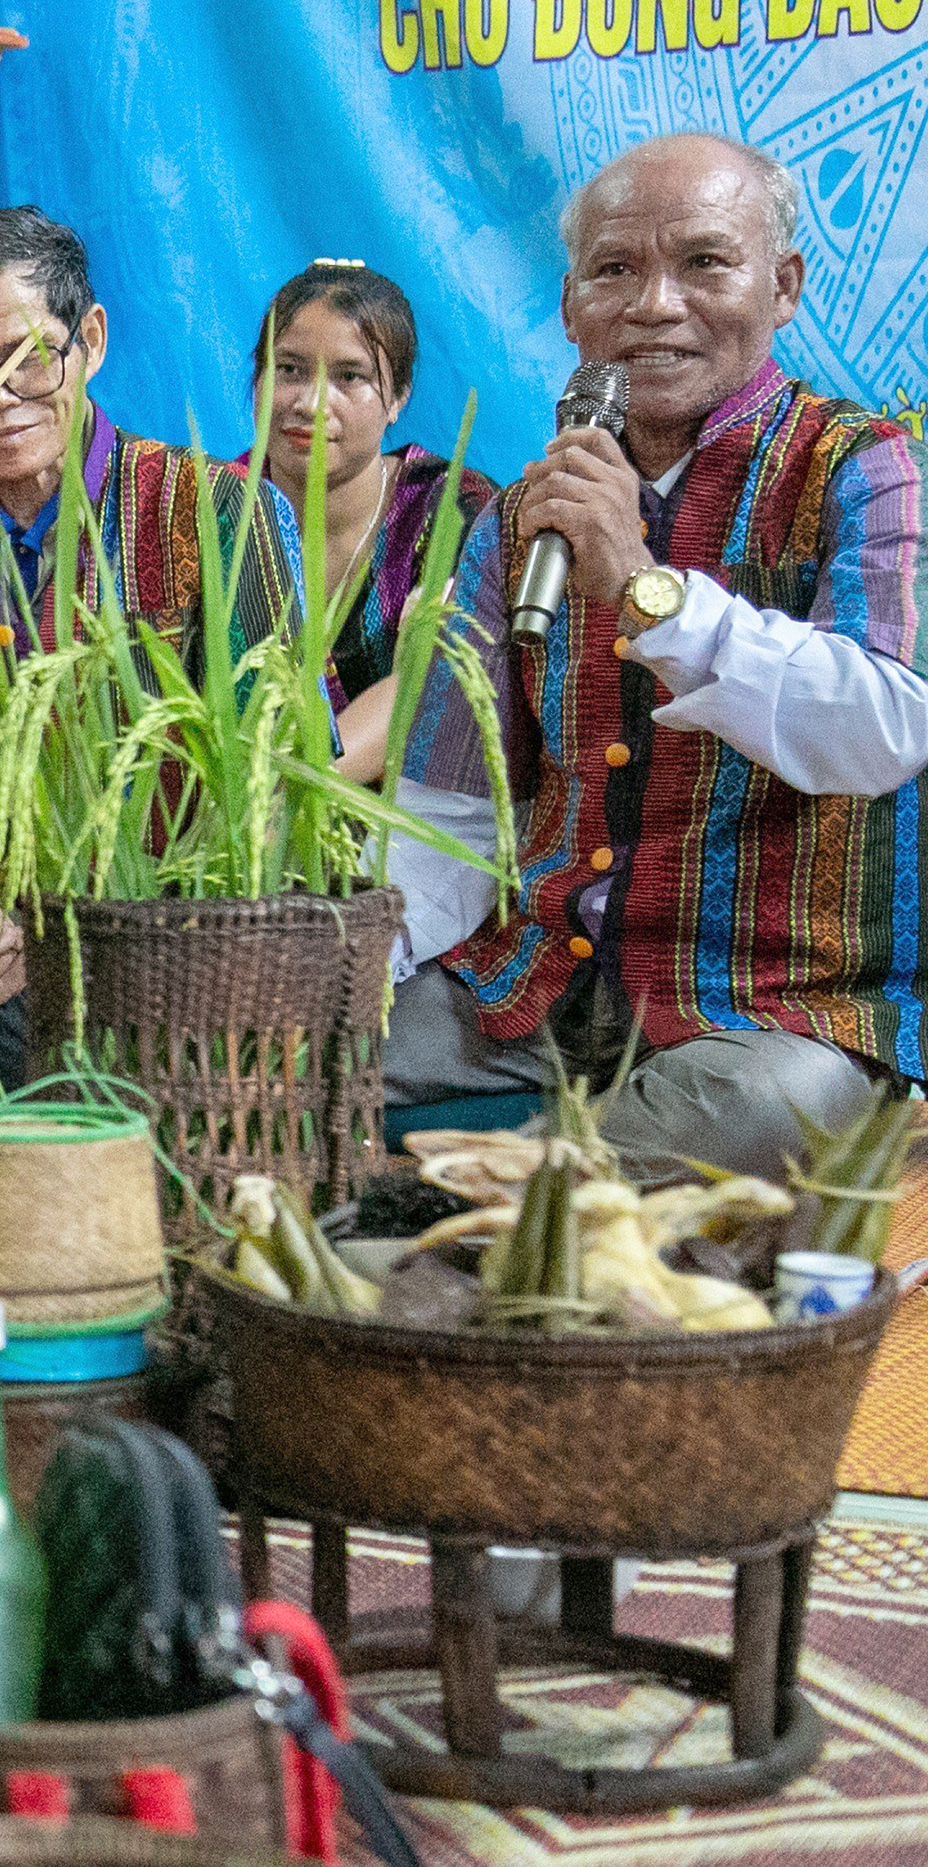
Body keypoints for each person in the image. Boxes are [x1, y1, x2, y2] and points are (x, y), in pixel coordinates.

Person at [390, 133, 925, 1178]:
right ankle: (466, 1223)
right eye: (617, 269)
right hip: (534, 985)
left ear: (785, 287)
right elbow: (447, 805)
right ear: (571, 307)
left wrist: (652, 592)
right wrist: (354, 965)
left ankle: (483, 1214)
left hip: (781, 1012)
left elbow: (885, 725)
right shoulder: (520, 521)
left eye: (705, 262)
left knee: (749, 1112)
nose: (655, 305)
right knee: (282, 1060)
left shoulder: (869, 470)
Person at [0, 206, 308, 1105]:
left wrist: (83, 929)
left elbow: (279, 766)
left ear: (88, 339)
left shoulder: (221, 516)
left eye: (27, 361)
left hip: (167, 955)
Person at [249, 261, 498, 784]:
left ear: (399, 398)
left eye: (350, 377)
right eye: (289, 369)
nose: (312, 404)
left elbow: (427, 680)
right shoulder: (210, 503)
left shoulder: (451, 511)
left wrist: (283, 800)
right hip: (223, 815)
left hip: (402, 841)